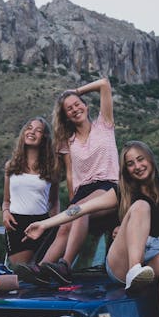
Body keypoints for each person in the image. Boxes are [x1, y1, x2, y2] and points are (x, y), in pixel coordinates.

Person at [24, 141, 159, 317]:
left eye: (140, 159)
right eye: (130, 163)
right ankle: (134, 269)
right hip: (123, 259)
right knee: (141, 207)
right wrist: (45, 224)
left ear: (150, 159)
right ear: (125, 169)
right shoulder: (123, 192)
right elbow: (80, 209)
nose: (137, 166)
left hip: (155, 254)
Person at [16, 77, 119, 285]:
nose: (74, 109)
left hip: (107, 186)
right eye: (68, 109)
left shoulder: (104, 124)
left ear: (85, 105)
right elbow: (71, 173)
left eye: (77, 104)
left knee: (81, 210)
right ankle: (42, 270)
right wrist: (72, 198)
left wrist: (75, 91)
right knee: (64, 227)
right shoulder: (68, 140)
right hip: (83, 190)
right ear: (66, 116)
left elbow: (104, 84)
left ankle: (65, 265)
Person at [2, 116, 60, 265]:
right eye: (29, 128)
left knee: (40, 271)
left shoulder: (52, 168)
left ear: (44, 137)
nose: (32, 132)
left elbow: (54, 201)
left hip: (43, 223)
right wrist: (5, 212)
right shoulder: (11, 166)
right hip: (16, 225)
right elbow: (6, 200)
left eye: (38, 130)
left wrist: (54, 227)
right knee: (22, 273)